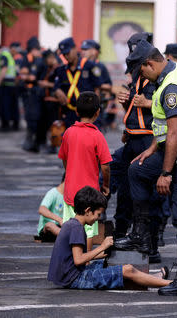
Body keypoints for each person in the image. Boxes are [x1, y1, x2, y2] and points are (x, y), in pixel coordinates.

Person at [114, 40, 177, 296]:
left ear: (150, 63)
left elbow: (175, 132)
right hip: (170, 148)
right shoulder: (167, 75)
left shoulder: (172, 86)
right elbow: (164, 126)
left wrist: (165, 174)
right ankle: (142, 235)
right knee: (137, 169)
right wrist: (152, 149)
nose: (140, 76)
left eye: (141, 71)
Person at [47, 185, 171, 290]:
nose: (99, 218)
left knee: (111, 263)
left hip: (70, 276)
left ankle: (154, 278)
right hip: (75, 279)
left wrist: (103, 253)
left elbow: (78, 257)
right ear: (88, 210)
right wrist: (102, 246)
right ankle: (170, 284)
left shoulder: (72, 223)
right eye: (98, 214)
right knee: (126, 270)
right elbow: (79, 260)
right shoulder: (76, 228)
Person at [112, 32, 163, 263]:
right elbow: (134, 111)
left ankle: (150, 246)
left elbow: (167, 106)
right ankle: (120, 237)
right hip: (132, 139)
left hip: (148, 141)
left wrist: (148, 103)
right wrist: (126, 104)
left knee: (149, 195)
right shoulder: (136, 76)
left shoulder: (158, 76)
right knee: (124, 191)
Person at [58, 91, 112, 251]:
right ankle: (85, 262)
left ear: (76, 111)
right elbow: (105, 166)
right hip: (90, 193)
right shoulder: (97, 136)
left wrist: (70, 174)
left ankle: (71, 260)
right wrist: (106, 186)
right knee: (88, 232)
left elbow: (64, 158)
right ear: (98, 112)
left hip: (70, 191)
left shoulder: (68, 133)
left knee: (70, 227)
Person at [54, 37, 102, 129]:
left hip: (87, 115)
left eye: (68, 53)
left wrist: (95, 110)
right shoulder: (61, 70)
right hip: (69, 113)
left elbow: (97, 89)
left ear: (75, 49)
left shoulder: (90, 66)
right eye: (64, 55)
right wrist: (57, 91)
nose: (66, 56)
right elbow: (55, 86)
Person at [19, 36, 45, 152]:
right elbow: (23, 74)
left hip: (36, 93)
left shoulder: (38, 60)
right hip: (29, 92)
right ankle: (31, 141)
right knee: (30, 117)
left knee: (35, 118)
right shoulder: (28, 58)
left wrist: (28, 76)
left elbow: (30, 76)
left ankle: (35, 142)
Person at [0, 45, 18, 131]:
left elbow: (4, 69)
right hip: (10, 84)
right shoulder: (8, 55)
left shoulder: (3, 56)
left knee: (4, 105)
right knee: (12, 105)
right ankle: (14, 124)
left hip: (5, 84)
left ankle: (6, 125)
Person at [35, 173, 65, 242]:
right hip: (47, 229)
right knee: (50, 225)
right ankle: (67, 237)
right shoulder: (53, 193)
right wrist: (59, 219)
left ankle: (65, 235)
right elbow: (42, 209)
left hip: (61, 227)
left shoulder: (70, 196)